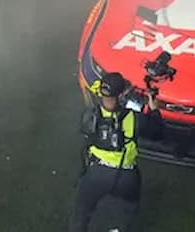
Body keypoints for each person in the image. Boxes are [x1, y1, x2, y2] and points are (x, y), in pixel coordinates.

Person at [70, 72, 163, 232]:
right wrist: (154, 110)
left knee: (81, 212)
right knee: (129, 210)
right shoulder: (134, 118)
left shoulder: (90, 113)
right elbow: (157, 133)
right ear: (120, 95)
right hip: (126, 176)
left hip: (95, 173)